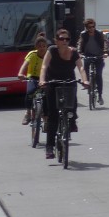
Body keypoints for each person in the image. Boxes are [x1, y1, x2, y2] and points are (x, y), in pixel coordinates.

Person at [39, 29, 88, 159]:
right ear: (56, 40)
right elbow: (44, 66)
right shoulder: (52, 50)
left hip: (68, 81)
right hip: (52, 82)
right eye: (61, 39)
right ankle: (49, 147)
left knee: (72, 104)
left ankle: (72, 120)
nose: (64, 41)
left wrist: (85, 80)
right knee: (53, 116)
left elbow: (81, 67)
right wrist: (42, 80)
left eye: (67, 39)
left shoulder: (74, 52)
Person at [19, 35, 49, 125]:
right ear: (36, 47)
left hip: (45, 78)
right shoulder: (32, 54)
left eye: (44, 46)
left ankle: (46, 119)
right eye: (39, 46)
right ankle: (28, 113)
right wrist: (20, 73)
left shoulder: (49, 55)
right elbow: (25, 64)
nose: (42, 48)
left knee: (46, 97)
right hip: (32, 77)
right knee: (30, 92)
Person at [78, 18, 106, 105]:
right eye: (89, 27)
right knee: (85, 68)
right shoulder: (83, 34)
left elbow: (104, 43)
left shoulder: (99, 33)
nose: (91, 29)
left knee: (98, 75)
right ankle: (87, 84)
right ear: (86, 28)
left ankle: (100, 96)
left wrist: (105, 52)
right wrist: (79, 53)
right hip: (88, 55)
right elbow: (80, 43)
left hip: (99, 55)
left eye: (93, 27)